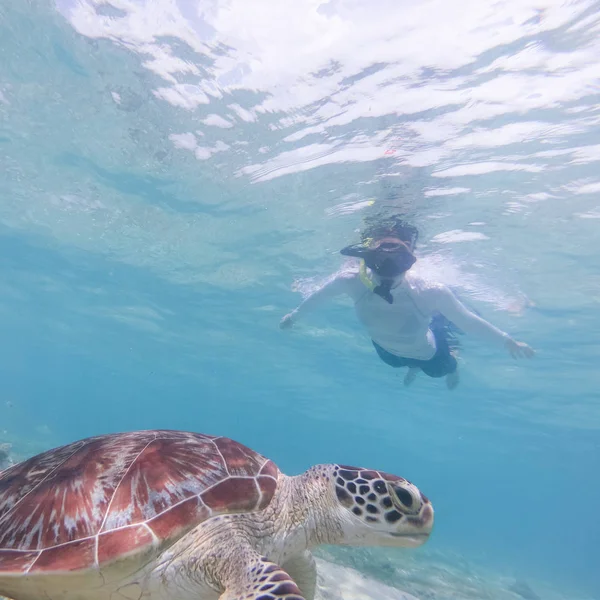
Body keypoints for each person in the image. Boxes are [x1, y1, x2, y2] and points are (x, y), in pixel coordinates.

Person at [280, 215, 534, 389]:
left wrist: (507, 341)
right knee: (398, 362)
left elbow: (468, 321)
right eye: (381, 261)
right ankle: (413, 366)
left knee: (439, 369)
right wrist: (293, 317)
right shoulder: (349, 280)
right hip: (388, 353)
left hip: (430, 353)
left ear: (411, 262)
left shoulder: (429, 291)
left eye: (398, 261)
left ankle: (453, 361)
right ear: (367, 260)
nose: (389, 271)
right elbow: (317, 299)